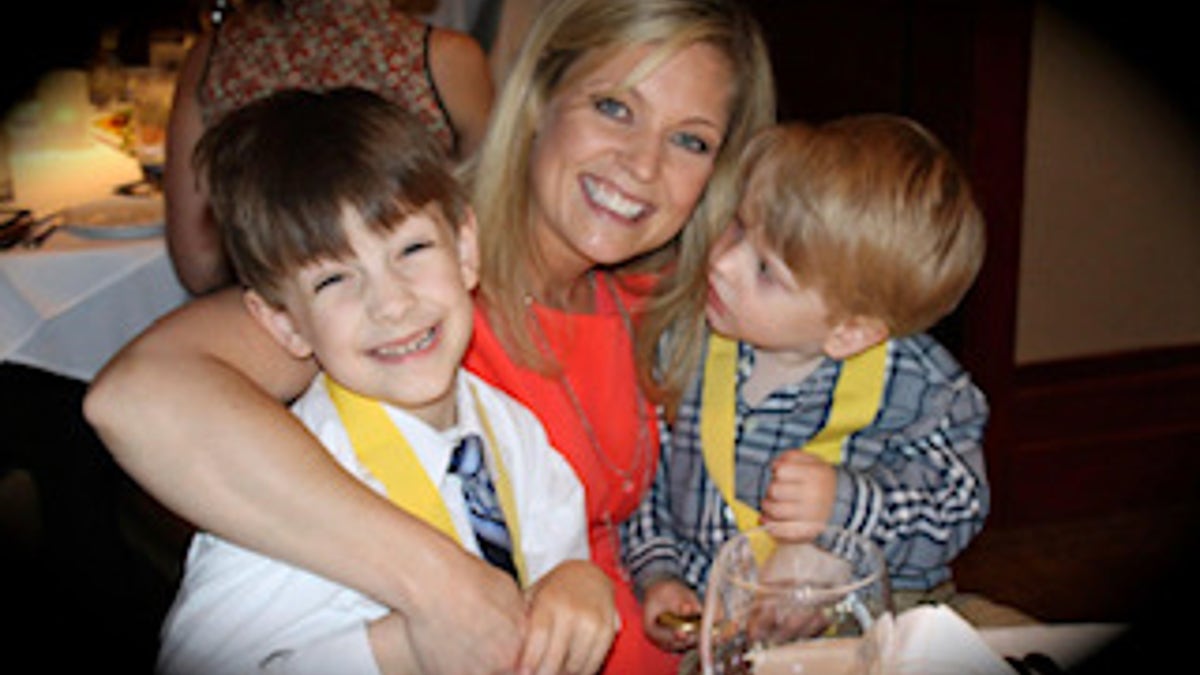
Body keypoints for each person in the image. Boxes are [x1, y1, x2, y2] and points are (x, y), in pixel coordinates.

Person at [85, 0, 777, 672]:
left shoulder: (660, 295)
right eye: (615, 107)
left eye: (690, 140)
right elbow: (140, 395)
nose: (642, 164)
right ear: (538, 97)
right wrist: (440, 587)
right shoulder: (409, 278)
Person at [153, 87, 614, 674]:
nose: (391, 303)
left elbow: (557, 553)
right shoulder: (295, 491)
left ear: (466, 248)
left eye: (413, 248)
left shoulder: (508, 427)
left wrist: (577, 584)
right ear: (286, 324)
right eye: (333, 281)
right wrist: (393, 652)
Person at [624, 116, 1006, 654]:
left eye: (766, 270)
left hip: (889, 622)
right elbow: (643, 490)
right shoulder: (680, 348)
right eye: (737, 225)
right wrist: (659, 576)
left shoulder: (922, 385)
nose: (722, 262)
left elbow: (958, 506)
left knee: (998, 635)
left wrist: (845, 504)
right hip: (734, 638)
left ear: (851, 330)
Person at [165, 0, 495, 295]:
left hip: (269, 326)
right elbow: (497, 218)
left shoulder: (211, 58)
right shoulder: (443, 58)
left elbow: (198, 265)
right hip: (420, 310)